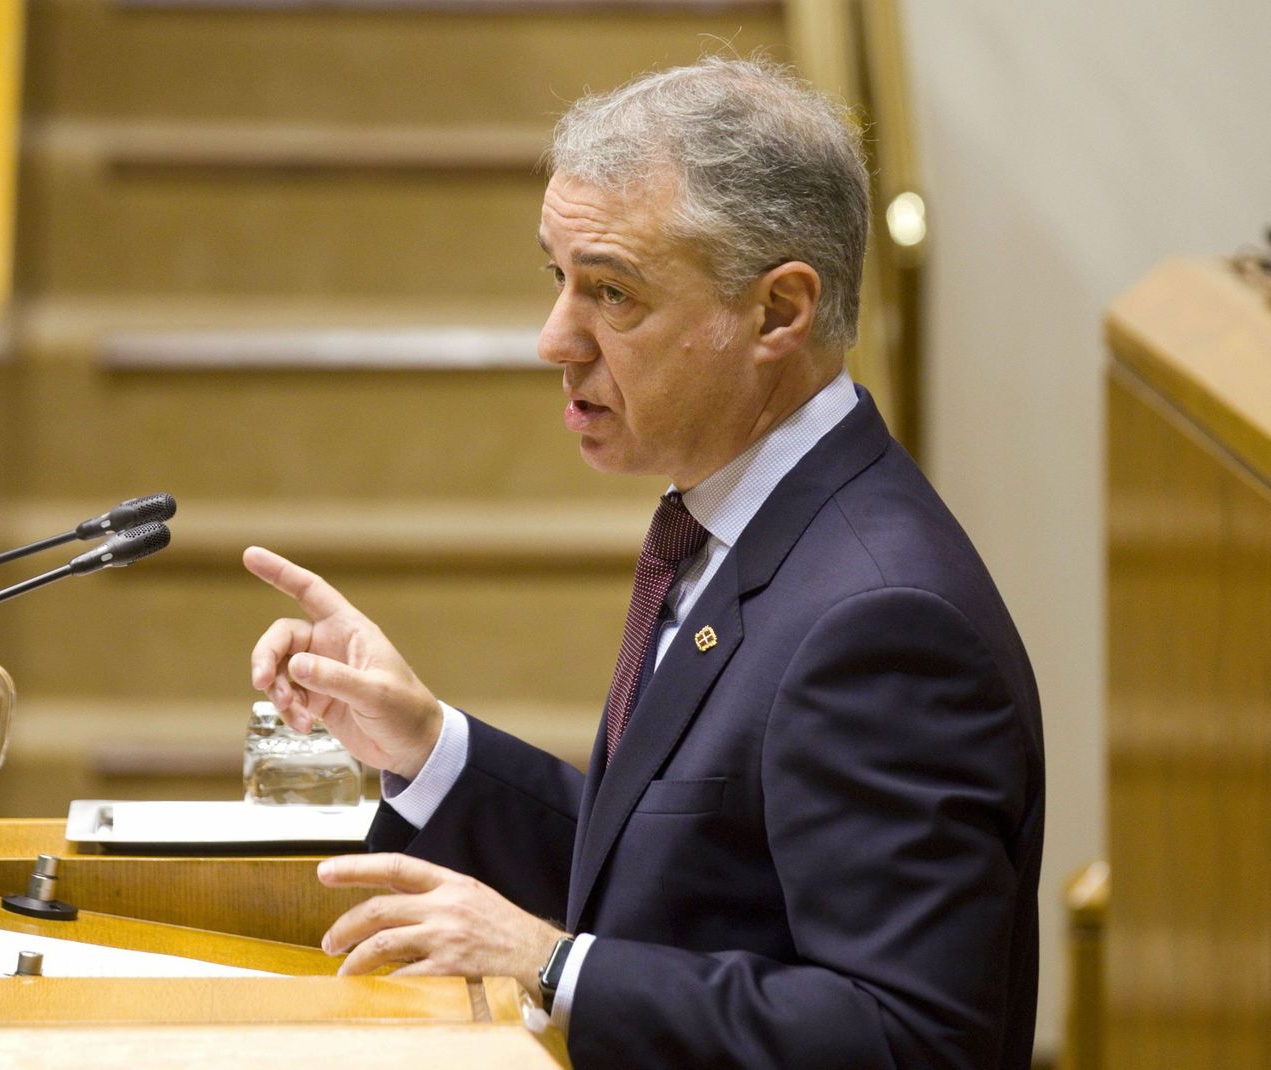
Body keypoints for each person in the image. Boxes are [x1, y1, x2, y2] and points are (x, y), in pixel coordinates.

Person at [244, 57, 1043, 1070]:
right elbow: (674, 880)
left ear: (776, 313)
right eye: (557, 277)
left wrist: (553, 966)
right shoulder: (737, 525)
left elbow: (913, 1039)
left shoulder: (881, 618)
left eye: (611, 292)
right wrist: (426, 745)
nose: (553, 339)